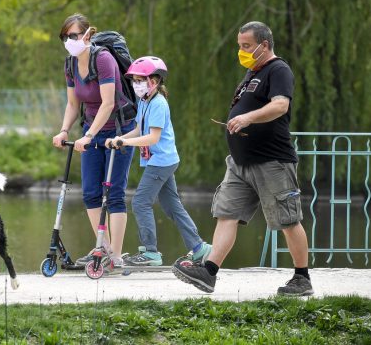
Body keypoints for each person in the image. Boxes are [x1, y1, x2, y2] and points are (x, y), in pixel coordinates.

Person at [172, 21, 314, 296]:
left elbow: (280, 105)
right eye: (240, 46)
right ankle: (208, 272)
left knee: (288, 219)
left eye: (247, 46)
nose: (242, 51)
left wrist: (247, 117)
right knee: (226, 214)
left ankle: (301, 278)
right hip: (239, 163)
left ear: (265, 44)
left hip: (271, 160)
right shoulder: (252, 73)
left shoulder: (278, 69)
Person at [106, 56, 212, 267]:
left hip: (161, 160)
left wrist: (126, 144)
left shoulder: (159, 104)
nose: (136, 85)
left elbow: (153, 137)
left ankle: (150, 253)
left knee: (140, 202)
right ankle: (200, 248)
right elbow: (138, 129)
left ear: (153, 82)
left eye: (140, 80)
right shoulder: (144, 101)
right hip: (159, 160)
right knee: (172, 206)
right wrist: (120, 138)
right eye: (134, 80)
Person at [52, 13, 135, 268]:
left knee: (115, 194)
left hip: (120, 131)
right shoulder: (70, 64)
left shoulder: (104, 59)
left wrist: (88, 136)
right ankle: (104, 249)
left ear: (88, 34)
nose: (70, 40)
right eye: (65, 37)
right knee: (90, 192)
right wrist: (65, 130)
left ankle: (117, 256)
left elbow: (108, 103)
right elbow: (73, 103)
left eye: (74, 35)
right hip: (92, 130)